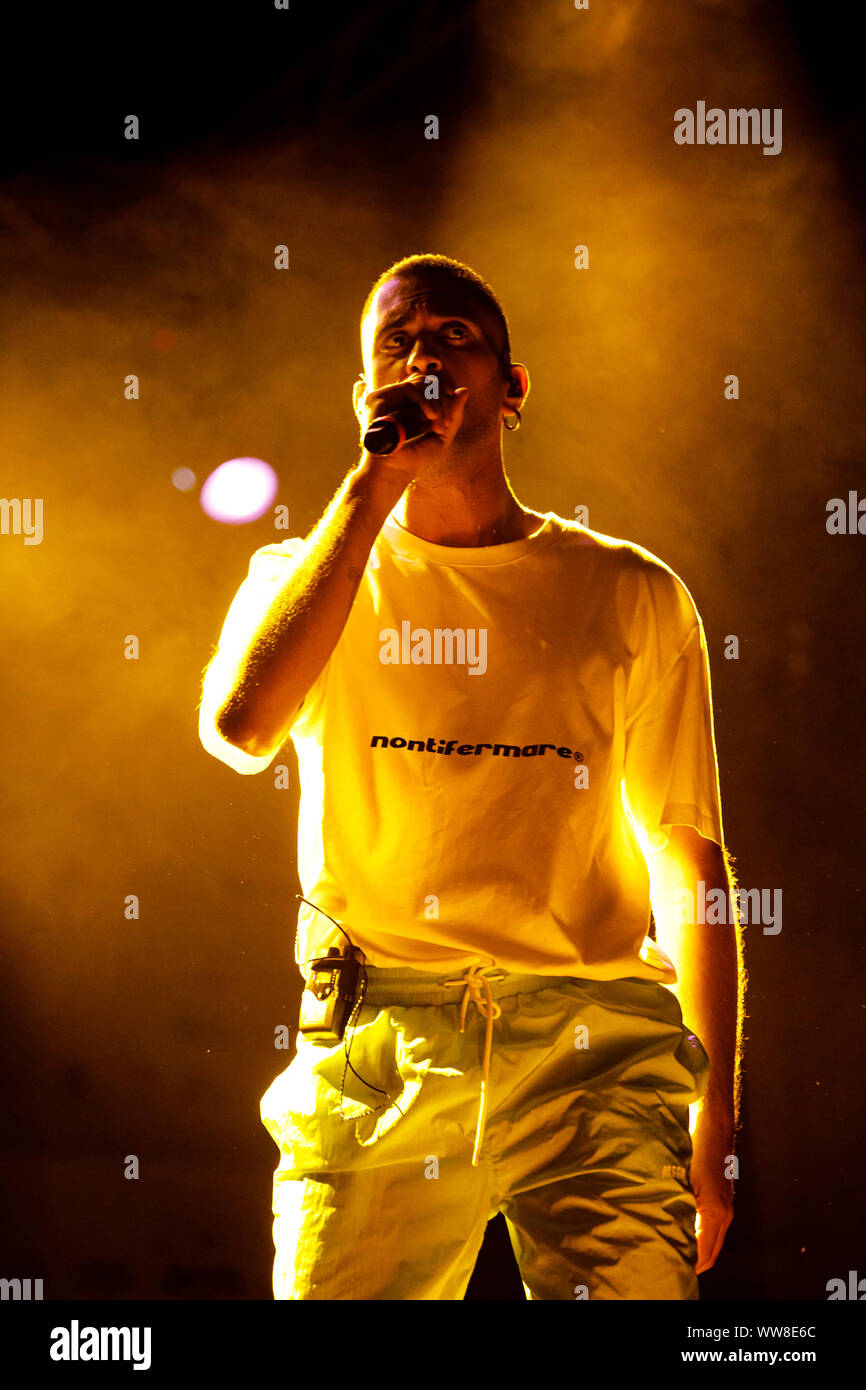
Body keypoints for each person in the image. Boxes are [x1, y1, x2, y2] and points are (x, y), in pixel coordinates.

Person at [198, 253, 742, 1300]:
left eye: (453, 337)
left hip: (593, 1048)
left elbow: (689, 857)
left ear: (512, 385)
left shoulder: (630, 593)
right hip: (378, 1046)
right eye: (395, 344)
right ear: (366, 395)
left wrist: (711, 1111)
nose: (422, 355)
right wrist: (374, 484)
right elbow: (241, 728)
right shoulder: (301, 577)